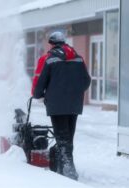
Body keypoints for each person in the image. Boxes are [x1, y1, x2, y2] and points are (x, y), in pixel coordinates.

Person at [32, 31, 91, 180]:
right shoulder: (78, 59)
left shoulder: (50, 60)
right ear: (64, 43)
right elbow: (86, 81)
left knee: (63, 138)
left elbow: (40, 84)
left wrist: (38, 94)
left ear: (51, 44)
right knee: (68, 138)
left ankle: (69, 173)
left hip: (57, 106)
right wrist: (74, 92)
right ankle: (60, 169)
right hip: (74, 105)